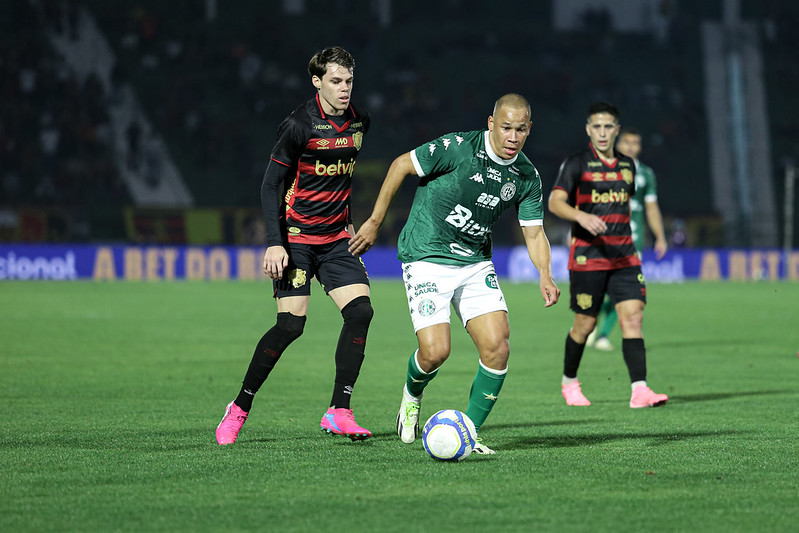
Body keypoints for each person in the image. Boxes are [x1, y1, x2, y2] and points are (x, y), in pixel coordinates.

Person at [349, 94, 560, 454]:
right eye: (506, 127)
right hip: (427, 254)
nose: (512, 136)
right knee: (435, 352)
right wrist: (373, 222)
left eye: (520, 130)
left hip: (475, 262)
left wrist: (546, 273)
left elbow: (535, 232)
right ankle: (411, 396)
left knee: (497, 347)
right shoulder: (458, 148)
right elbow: (401, 165)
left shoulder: (526, 175)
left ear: (529, 130)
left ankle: (469, 432)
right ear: (491, 123)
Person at [216, 46, 374, 445]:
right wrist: (275, 243)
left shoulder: (359, 123)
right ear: (317, 82)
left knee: (361, 312)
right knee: (290, 325)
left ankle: (339, 410)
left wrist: (349, 219)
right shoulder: (298, 125)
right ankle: (238, 408)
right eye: (335, 81)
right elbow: (271, 184)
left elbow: (341, 178)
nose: (344, 89)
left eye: (349, 81)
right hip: (297, 240)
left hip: (337, 238)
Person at [548, 101, 668, 408]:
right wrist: (581, 216)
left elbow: (624, 205)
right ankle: (569, 382)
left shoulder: (628, 166)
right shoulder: (576, 164)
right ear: (589, 130)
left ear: (616, 130)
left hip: (624, 257)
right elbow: (555, 202)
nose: (602, 133)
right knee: (584, 325)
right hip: (588, 258)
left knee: (633, 317)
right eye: (596, 127)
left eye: (608, 127)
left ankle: (639, 390)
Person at [586, 128, 668, 351]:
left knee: (625, 289)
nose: (631, 147)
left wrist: (660, 236)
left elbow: (651, 208)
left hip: (633, 240)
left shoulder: (646, 174)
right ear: (618, 144)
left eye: (636, 143)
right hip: (606, 237)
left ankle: (602, 335)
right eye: (627, 142)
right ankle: (591, 317)